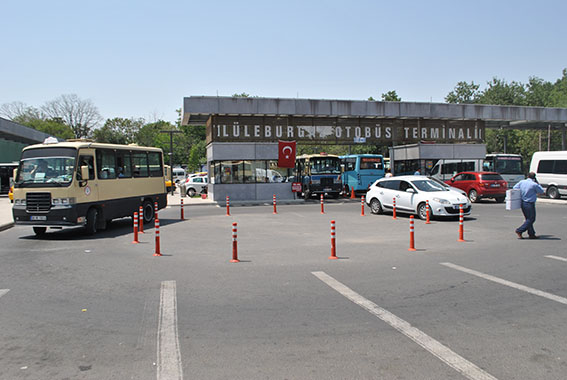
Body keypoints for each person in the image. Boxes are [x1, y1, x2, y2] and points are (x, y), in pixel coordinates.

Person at [513, 172, 544, 239]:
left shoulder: (522, 182)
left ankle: (531, 234)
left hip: (523, 202)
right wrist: (537, 183)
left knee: (528, 219)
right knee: (531, 219)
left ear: (527, 176)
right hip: (529, 203)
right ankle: (519, 230)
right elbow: (541, 191)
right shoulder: (534, 184)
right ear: (534, 178)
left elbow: (515, 187)